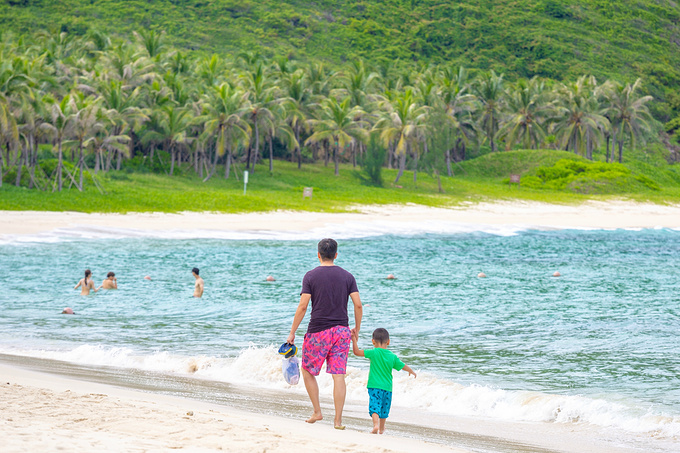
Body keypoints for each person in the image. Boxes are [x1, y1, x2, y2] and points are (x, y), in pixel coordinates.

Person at [286, 238, 363, 430]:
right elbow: (358, 304)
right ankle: (337, 421)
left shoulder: (310, 276)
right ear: (336, 254)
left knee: (307, 370)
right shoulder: (348, 276)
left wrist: (292, 332)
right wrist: (357, 329)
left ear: (318, 254)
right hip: (341, 332)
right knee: (338, 375)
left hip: (317, 332)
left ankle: (317, 411)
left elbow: (303, 306)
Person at [351, 328, 416, 434]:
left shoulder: (373, 353)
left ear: (373, 341)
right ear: (388, 341)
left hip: (374, 385)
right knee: (384, 408)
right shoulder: (392, 356)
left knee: (375, 406)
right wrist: (411, 371)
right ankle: (381, 428)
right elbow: (403, 366)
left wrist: (354, 340)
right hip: (387, 387)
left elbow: (356, 352)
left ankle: (375, 425)